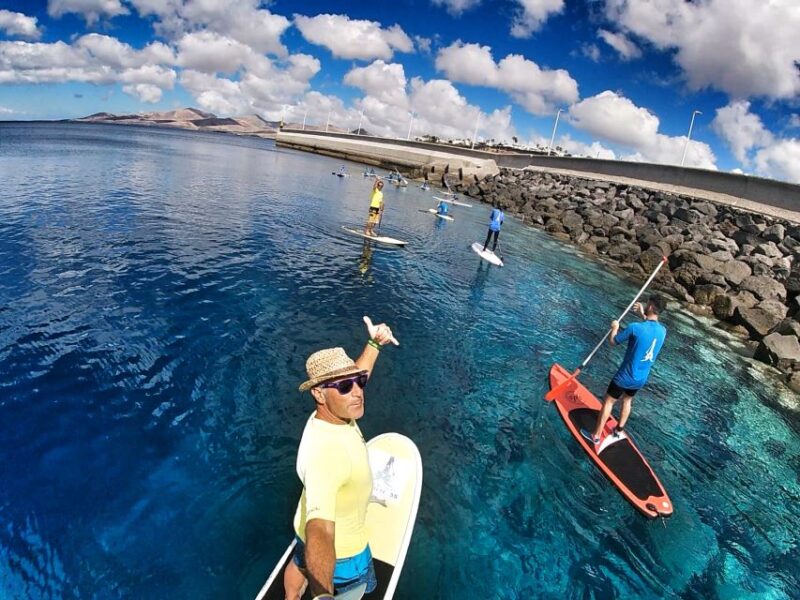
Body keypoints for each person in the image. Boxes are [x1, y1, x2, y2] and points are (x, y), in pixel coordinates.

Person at [284, 316, 399, 600]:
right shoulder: (327, 454)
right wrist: (323, 595)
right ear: (319, 394)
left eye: (359, 382)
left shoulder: (330, 416)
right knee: (362, 589)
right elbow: (320, 530)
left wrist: (374, 344)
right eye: (346, 386)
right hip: (346, 556)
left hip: (300, 528)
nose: (358, 392)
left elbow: (353, 378)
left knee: (300, 560)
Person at [581, 295, 667, 448]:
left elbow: (613, 341)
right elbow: (649, 328)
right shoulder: (663, 331)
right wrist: (642, 314)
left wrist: (615, 327)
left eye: (648, 303)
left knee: (609, 401)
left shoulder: (635, 327)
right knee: (627, 401)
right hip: (641, 379)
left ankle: (596, 436)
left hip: (624, 377)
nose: (646, 305)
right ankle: (618, 431)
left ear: (651, 307)